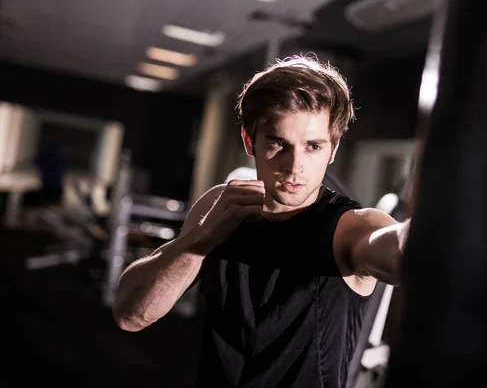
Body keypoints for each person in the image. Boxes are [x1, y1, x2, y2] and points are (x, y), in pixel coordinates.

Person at [112, 55, 412, 388]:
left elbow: (398, 250)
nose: (295, 165)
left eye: (313, 146)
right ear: (249, 141)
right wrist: (199, 242)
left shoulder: (351, 229)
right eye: (279, 144)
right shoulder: (219, 206)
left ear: (333, 149)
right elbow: (130, 315)